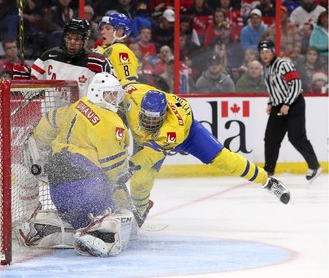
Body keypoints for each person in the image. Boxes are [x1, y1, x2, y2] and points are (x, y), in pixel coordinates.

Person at [119, 77, 291, 224]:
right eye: (146, 118)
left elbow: (146, 159)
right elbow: (121, 84)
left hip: (187, 135)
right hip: (151, 141)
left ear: (164, 115)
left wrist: (119, 173)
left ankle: (268, 182)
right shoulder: (132, 96)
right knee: (140, 178)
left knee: (225, 160)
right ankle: (140, 210)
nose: (149, 123)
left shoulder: (173, 129)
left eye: (154, 120)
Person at [20, 72, 135, 257]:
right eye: (109, 94)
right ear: (97, 93)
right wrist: (125, 203)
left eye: (115, 94)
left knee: (76, 217)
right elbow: (115, 171)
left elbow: (47, 123)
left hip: (57, 189)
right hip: (86, 186)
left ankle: (56, 228)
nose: (114, 98)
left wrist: (36, 144)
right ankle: (92, 232)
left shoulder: (76, 106)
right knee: (112, 215)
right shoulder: (112, 122)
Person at [258, 40, 321, 182]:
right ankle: (268, 169)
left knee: (296, 137)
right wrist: (270, 102)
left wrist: (287, 103)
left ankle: (314, 165)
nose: (264, 55)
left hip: (294, 103)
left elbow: (296, 84)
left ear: (273, 51)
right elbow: (273, 88)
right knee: (271, 138)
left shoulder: (283, 64)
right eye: (262, 52)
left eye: (267, 51)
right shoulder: (267, 68)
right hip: (278, 105)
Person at [17, 17, 113, 99]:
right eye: (69, 38)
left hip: (81, 119)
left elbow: (111, 95)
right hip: (50, 118)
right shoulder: (49, 57)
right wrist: (22, 81)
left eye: (77, 39)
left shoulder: (98, 62)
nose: (72, 42)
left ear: (85, 40)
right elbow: (28, 94)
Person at [94, 12, 139, 82]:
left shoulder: (121, 50)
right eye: (102, 29)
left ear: (120, 32)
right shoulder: (103, 48)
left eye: (108, 28)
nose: (102, 32)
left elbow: (129, 83)